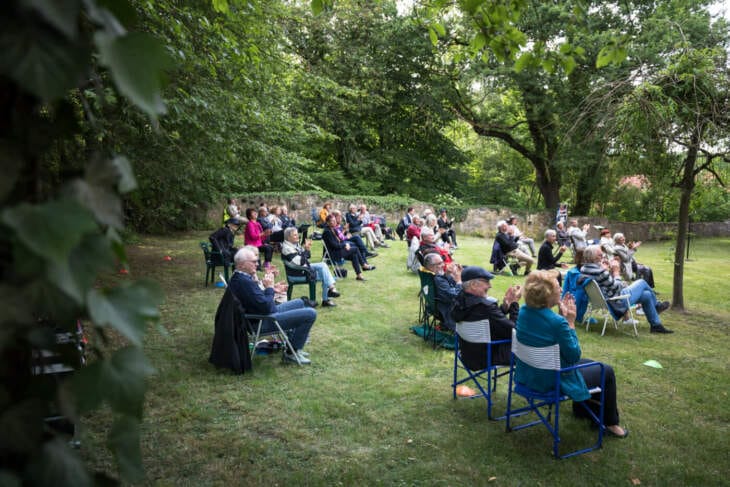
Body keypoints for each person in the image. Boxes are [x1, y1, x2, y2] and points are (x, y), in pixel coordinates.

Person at [515, 270, 629, 438]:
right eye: (557, 288)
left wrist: (561, 319)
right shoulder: (557, 322)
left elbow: (545, 331)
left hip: (529, 374)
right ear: (547, 296)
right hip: (551, 380)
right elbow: (573, 355)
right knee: (606, 371)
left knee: (589, 363)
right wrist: (570, 322)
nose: (561, 290)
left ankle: (583, 409)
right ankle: (610, 423)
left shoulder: (524, 311)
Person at [229, 248, 316, 364]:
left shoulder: (240, 278)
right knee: (310, 314)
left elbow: (259, 300)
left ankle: (292, 344)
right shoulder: (244, 282)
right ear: (242, 265)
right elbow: (266, 307)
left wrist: (272, 289)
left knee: (300, 302)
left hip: (262, 315)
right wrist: (269, 288)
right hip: (261, 321)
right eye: (253, 262)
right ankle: (292, 353)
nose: (257, 264)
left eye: (257, 261)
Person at [580, 245, 672, 333]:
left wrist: (605, 269)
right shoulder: (601, 272)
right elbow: (617, 288)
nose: (603, 256)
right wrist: (616, 272)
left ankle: (656, 325)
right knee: (642, 282)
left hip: (604, 300)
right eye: (600, 255)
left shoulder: (584, 269)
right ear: (593, 258)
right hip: (617, 301)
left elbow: (606, 283)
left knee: (647, 295)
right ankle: (656, 306)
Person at [451, 266, 522, 368]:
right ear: (473, 285)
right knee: (528, 348)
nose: (490, 286)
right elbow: (514, 332)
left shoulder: (458, 300)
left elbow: (490, 319)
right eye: (487, 281)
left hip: (467, 354)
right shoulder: (485, 308)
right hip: (487, 358)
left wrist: (505, 306)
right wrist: (514, 304)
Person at [281, 227, 340, 307]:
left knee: (323, 266)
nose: (298, 236)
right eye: (295, 235)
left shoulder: (293, 244)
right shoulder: (287, 248)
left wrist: (307, 249)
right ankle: (327, 298)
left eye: (297, 234)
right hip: (297, 273)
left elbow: (306, 257)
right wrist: (305, 250)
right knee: (324, 273)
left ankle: (331, 289)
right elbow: (301, 262)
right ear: (288, 237)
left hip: (302, 269)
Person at [322, 214, 375, 281]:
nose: (335, 222)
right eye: (332, 221)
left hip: (338, 251)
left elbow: (340, 240)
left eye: (335, 220)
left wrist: (345, 243)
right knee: (355, 249)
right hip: (334, 254)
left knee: (354, 254)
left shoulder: (333, 229)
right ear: (328, 222)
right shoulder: (327, 232)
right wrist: (344, 245)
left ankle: (359, 275)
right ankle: (363, 265)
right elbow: (334, 245)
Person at [424, 253, 462, 330]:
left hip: (436, 306)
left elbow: (444, 285)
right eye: (439, 263)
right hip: (446, 309)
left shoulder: (430, 276)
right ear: (431, 267)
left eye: (442, 262)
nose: (444, 264)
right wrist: (459, 280)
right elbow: (456, 295)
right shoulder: (438, 279)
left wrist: (447, 274)